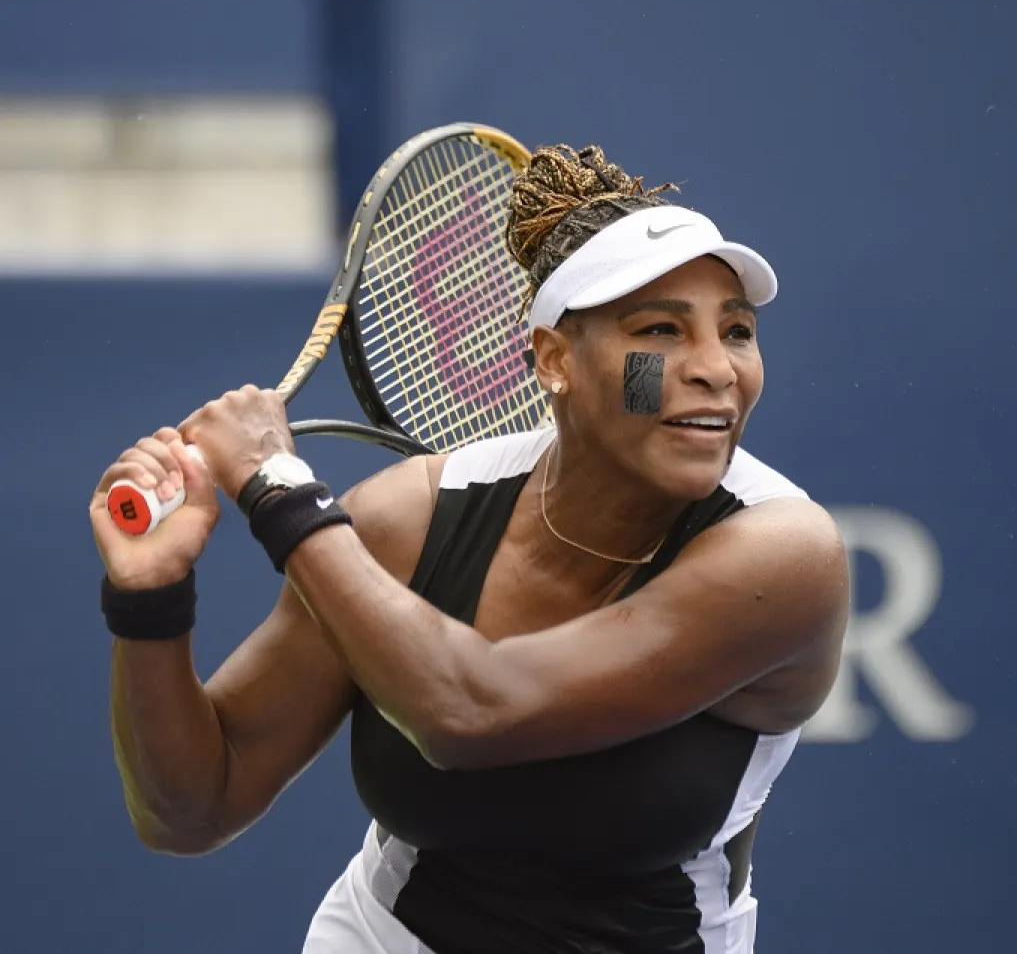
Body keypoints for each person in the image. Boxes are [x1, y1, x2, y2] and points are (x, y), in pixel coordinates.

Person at [88, 144, 850, 954]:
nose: (715, 369)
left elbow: (470, 712)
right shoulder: (407, 519)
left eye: (737, 331)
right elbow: (192, 809)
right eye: (660, 330)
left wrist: (279, 490)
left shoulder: (784, 556)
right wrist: (149, 601)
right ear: (555, 359)